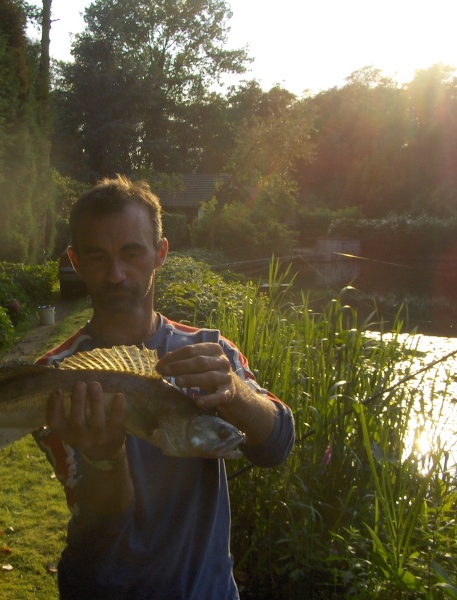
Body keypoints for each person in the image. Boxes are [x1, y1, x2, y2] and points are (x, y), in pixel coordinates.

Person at [34, 175, 295, 599]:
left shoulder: (212, 350)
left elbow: (276, 444)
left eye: (132, 253)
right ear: (75, 261)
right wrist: (104, 459)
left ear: (160, 254)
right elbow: (101, 522)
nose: (116, 274)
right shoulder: (56, 376)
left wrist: (234, 392)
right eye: (96, 256)